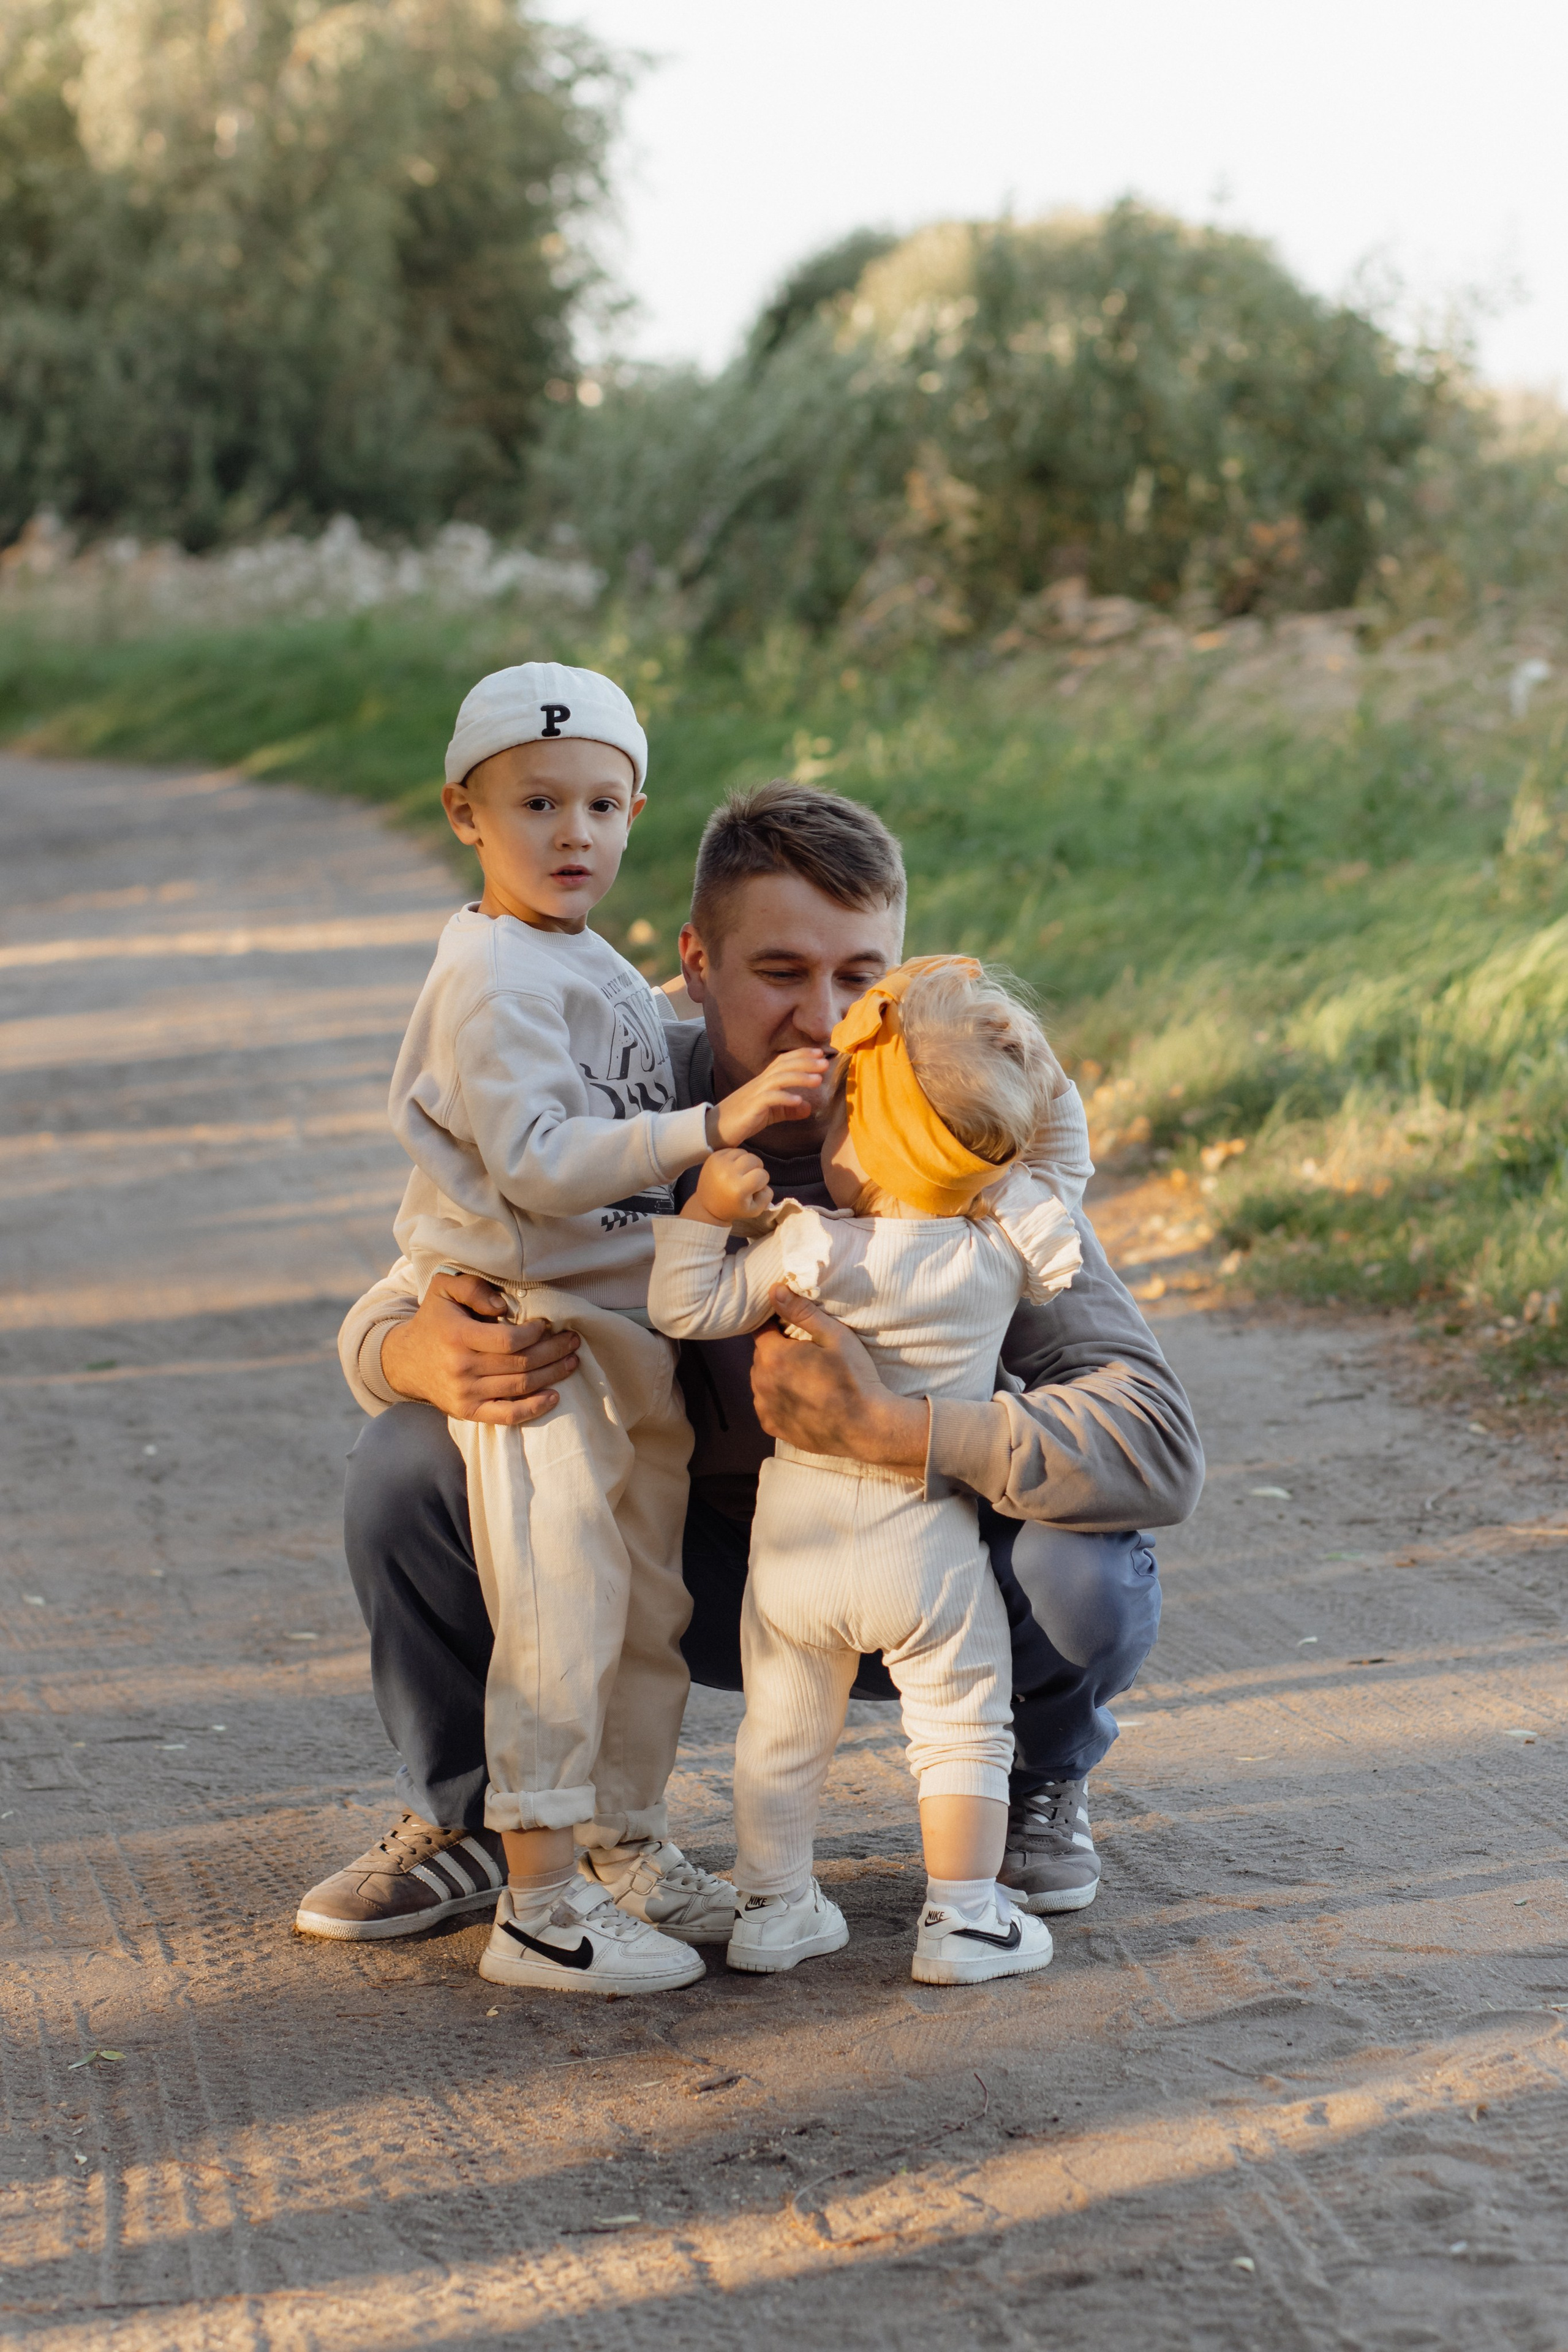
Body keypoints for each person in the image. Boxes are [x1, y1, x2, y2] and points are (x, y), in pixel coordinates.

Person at [299, 781, 1204, 1951]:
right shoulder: (630, 1095)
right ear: (694, 965)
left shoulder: (949, 1133)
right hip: (689, 1578)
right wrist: (406, 1347)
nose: (821, 1020)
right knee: (410, 1454)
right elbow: (418, 1275)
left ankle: (1033, 1772)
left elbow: (1156, 1443)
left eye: (858, 977)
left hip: (932, 1573)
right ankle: (478, 1818)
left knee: (1087, 1555)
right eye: (780, 973)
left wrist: (897, 1429)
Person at [377, 660, 826, 1999]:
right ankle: (538, 1900)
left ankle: (626, 1847)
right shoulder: (490, 976)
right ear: (464, 810)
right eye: (535, 803)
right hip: (543, 1339)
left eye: (603, 805)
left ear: (636, 812)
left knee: (645, 1607)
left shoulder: (585, 962)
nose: (573, 835)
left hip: (624, 1328)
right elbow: (530, 1162)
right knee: (561, 1607)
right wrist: (709, 1130)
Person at [650, 957, 1085, 1985]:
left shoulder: (806, 1250)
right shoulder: (1002, 1245)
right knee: (963, 1722)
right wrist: (1024, 1090)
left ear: (857, 1136)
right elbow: (1059, 1179)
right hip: (923, 1549)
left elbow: (684, 1308)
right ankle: (964, 1917)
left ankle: (773, 1909)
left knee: (783, 1733)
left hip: (795, 1551)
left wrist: (711, 1213)